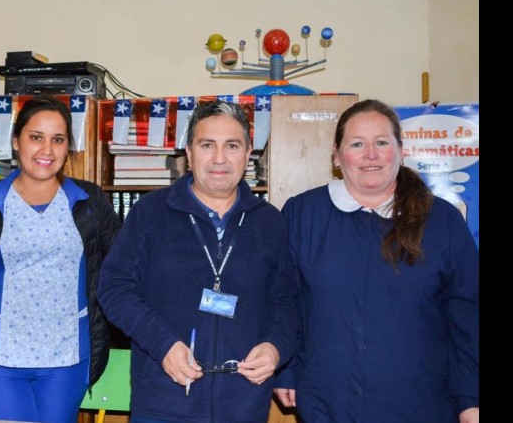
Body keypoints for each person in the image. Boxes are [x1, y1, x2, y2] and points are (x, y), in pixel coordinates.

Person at [273, 99, 479, 423]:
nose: (371, 154)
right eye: (357, 144)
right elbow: (285, 300)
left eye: (381, 142)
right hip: (328, 402)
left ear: (400, 150)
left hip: (422, 404)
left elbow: (467, 315)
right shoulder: (302, 214)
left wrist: (472, 399)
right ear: (337, 156)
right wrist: (286, 370)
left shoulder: (442, 220)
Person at [97, 100, 300, 423]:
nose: (219, 158)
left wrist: (276, 347)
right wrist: (163, 345)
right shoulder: (150, 213)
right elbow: (114, 289)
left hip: (244, 403)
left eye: (231, 146)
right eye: (207, 145)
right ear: (189, 154)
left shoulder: (269, 222)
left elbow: (287, 301)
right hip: (165, 400)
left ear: (248, 155)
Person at [0, 95, 122, 423]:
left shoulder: (90, 201)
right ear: (16, 141)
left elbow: (120, 273)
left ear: (69, 146)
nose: (47, 150)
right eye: (35, 137)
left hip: (67, 361)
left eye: (58, 139)